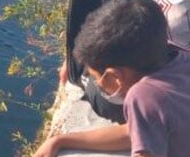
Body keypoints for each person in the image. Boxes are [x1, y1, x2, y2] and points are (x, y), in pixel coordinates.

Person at [31, 0, 190, 157]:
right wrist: (62, 140)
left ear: (114, 78)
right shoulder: (178, 58)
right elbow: (136, 133)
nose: (98, 85)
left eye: (97, 80)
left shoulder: (144, 96)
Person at [60, 0, 190, 123]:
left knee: (102, 98)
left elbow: (148, 124)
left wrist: (61, 141)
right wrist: (84, 47)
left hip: (154, 70)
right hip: (157, 53)